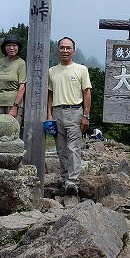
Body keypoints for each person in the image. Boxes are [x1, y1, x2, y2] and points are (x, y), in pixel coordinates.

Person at [47, 37, 92, 195]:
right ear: (58, 49)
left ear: (73, 50)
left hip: (75, 112)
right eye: (62, 48)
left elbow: (87, 92)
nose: (65, 51)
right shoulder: (52, 71)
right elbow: (50, 94)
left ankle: (73, 182)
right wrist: (49, 115)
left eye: (68, 48)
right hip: (57, 112)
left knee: (73, 148)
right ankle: (65, 179)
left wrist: (86, 115)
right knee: (61, 149)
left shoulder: (81, 69)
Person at [0, 34, 27, 126]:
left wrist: (15, 107)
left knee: (12, 133)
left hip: (13, 103)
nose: (11, 48)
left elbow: (22, 87)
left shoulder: (21, 63)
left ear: (18, 47)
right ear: (4, 47)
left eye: (14, 45)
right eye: (8, 45)